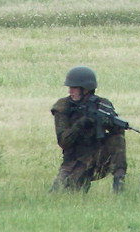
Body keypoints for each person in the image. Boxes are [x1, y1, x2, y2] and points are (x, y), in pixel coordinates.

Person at [50, 65, 128, 193]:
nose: (70, 91)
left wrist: (110, 124)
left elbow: (119, 134)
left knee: (117, 140)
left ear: (86, 89)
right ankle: (81, 182)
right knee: (59, 193)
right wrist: (82, 123)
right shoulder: (63, 107)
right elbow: (63, 142)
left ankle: (119, 186)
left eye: (74, 88)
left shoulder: (102, 105)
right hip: (75, 162)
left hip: (99, 159)